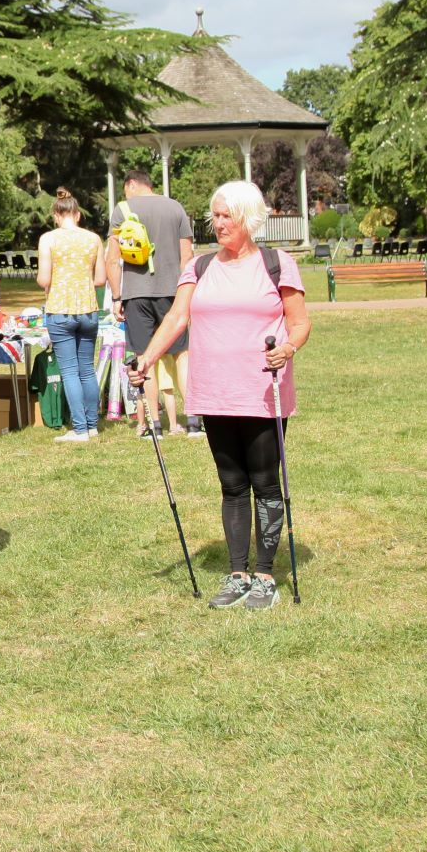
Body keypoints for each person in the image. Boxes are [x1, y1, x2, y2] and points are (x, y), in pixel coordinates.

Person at [132, 181, 310, 608]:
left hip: (262, 393)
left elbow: (300, 323)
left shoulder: (276, 264)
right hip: (215, 392)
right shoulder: (200, 267)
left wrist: (287, 348)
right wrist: (148, 359)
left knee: (265, 484)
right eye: (214, 214)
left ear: (248, 217)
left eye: (226, 215)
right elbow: (177, 317)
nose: (218, 222)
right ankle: (237, 574)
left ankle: (265, 577)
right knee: (231, 485)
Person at [103, 171, 199, 437]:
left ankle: (155, 425)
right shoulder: (175, 207)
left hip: (136, 294)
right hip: (172, 292)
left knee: (145, 358)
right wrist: (185, 293)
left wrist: (116, 296)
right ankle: (193, 420)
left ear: (131, 185)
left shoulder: (122, 210)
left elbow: (112, 259)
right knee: (182, 353)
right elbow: (187, 255)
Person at [35, 189, 105, 442]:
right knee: (87, 369)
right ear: (77, 215)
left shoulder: (48, 239)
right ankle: (92, 424)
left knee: (69, 371)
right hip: (88, 310)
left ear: (56, 214)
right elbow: (100, 279)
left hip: (60, 309)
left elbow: (44, 278)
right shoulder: (93, 239)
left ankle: (79, 429)